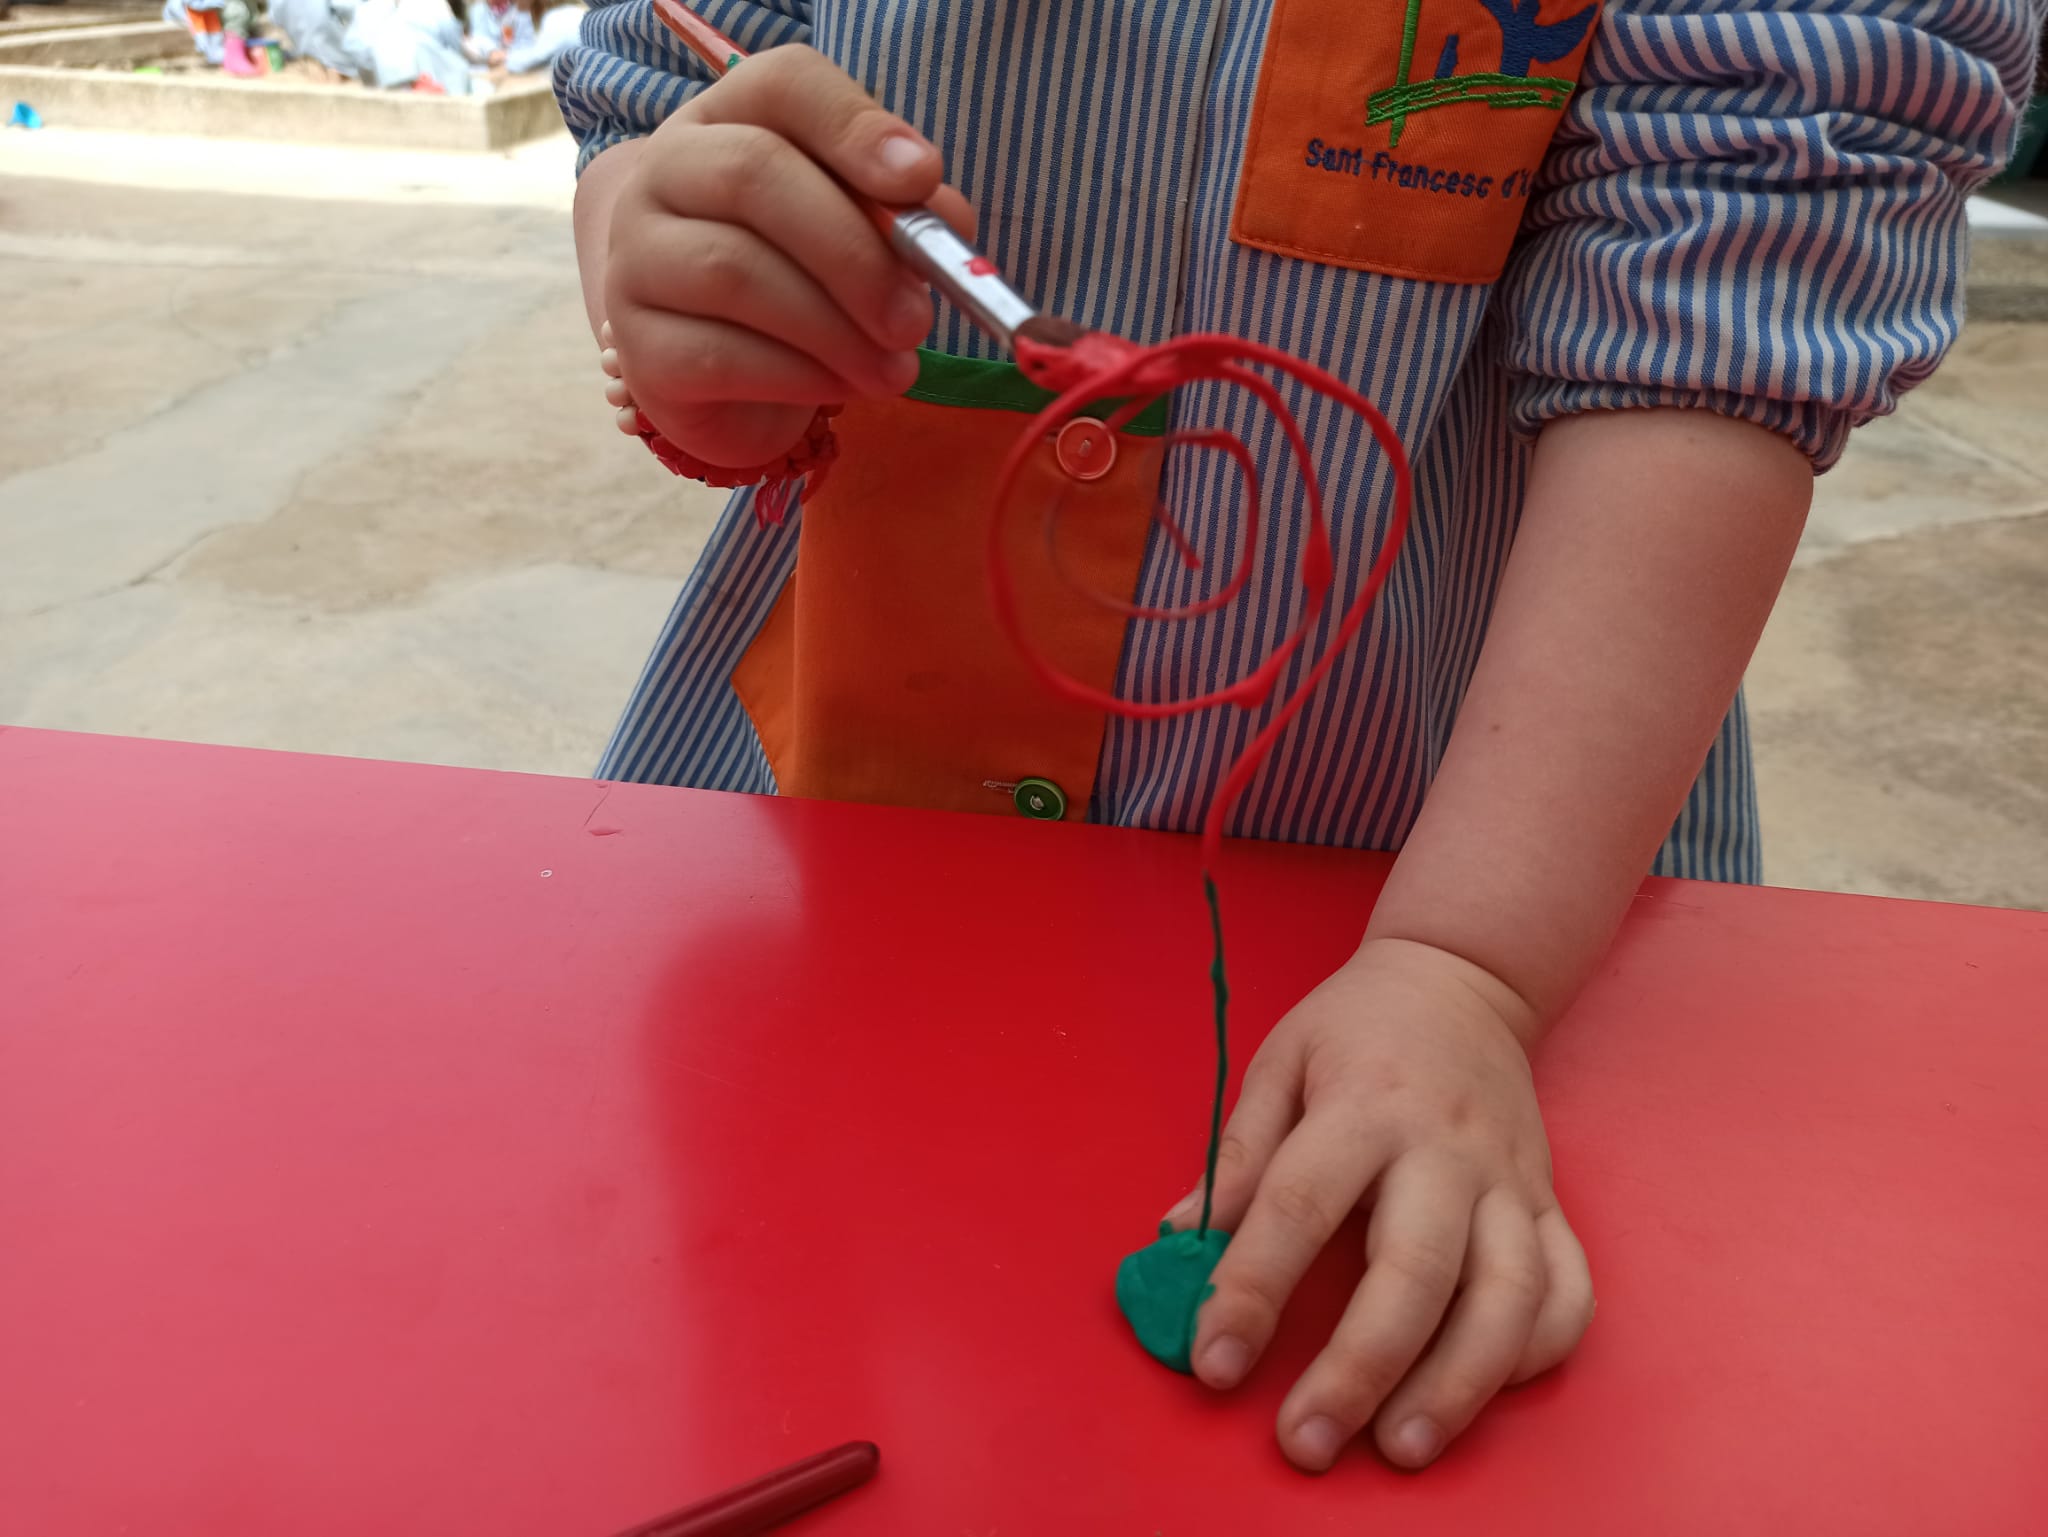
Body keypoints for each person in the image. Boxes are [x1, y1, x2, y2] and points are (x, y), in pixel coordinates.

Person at [554, 0, 2037, 1474]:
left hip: (1479, 870)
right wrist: (686, 317)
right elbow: (662, 95)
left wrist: (1468, 969)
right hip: (824, 855)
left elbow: (1733, 279)